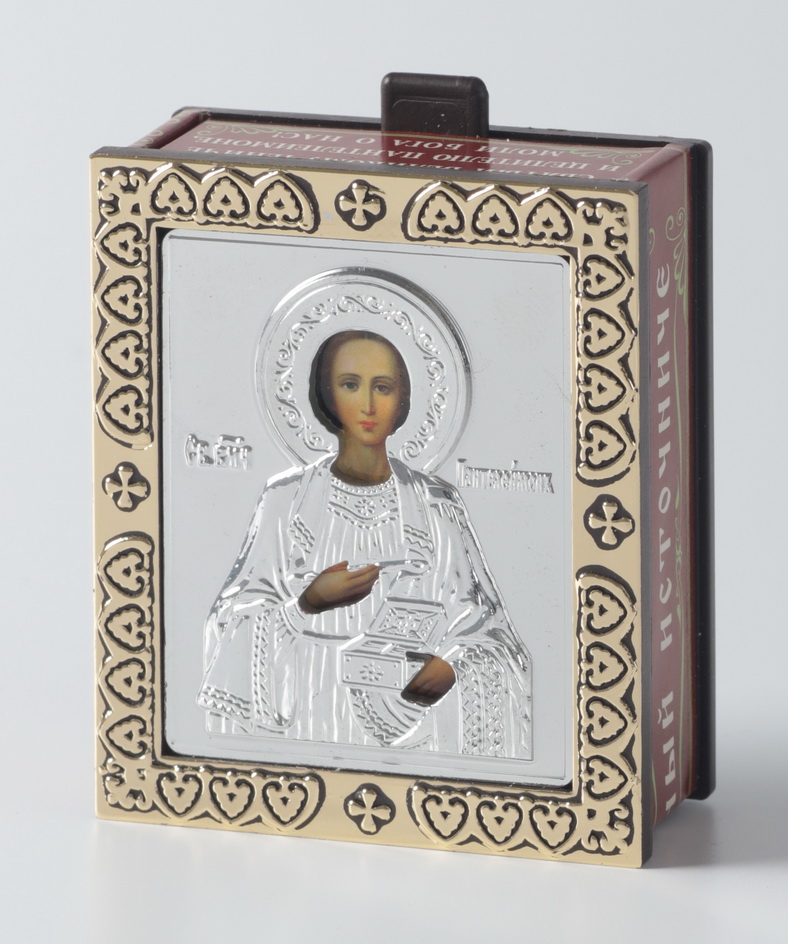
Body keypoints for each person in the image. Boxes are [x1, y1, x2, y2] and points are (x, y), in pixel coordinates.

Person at [198, 330, 532, 758]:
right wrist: (306, 604)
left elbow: (488, 628)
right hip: (310, 718)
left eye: (383, 387)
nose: (369, 405)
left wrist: (452, 666)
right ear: (327, 395)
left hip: (413, 726)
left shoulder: (436, 506)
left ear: (403, 399)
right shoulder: (287, 502)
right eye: (351, 385)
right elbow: (229, 622)